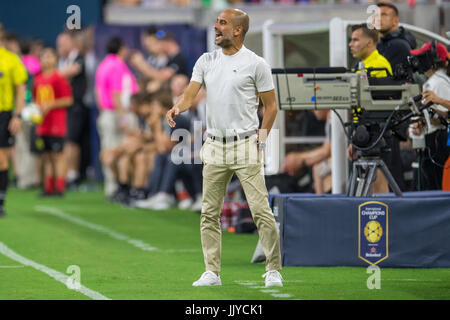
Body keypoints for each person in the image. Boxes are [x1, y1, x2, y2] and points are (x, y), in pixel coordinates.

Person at [166, 8, 282, 287]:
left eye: (222, 23)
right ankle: (212, 272)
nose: (216, 27)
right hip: (215, 145)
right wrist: (177, 107)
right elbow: (190, 94)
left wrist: (262, 137)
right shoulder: (206, 61)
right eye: (216, 22)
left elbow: (271, 105)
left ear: (238, 30)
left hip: (245, 144)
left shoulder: (256, 64)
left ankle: (274, 269)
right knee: (209, 212)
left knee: (260, 210)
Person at [95, 36, 139, 196]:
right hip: (116, 114)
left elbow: (98, 92)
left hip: (106, 113)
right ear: (121, 49)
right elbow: (117, 95)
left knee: (109, 149)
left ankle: (113, 185)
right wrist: (122, 119)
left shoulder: (104, 64)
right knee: (118, 151)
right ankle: (119, 186)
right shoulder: (117, 66)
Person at [33, 48, 73, 196]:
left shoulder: (59, 78)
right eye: (44, 57)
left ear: (56, 60)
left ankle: (60, 186)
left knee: (58, 156)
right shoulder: (38, 79)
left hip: (57, 123)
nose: (47, 60)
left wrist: (51, 104)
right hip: (43, 124)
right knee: (47, 156)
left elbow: (68, 99)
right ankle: (48, 187)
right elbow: (36, 100)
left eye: (50, 57)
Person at [409, 41, 450, 190]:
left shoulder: (439, 83)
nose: (418, 61)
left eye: (422, 57)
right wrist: (424, 122)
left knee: (439, 188)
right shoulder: (434, 82)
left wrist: (436, 103)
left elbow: (445, 120)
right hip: (434, 142)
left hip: (440, 143)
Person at [0, 27, 28, 217]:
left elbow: (20, 89)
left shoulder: (10, 59)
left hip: (3, 115)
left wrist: (17, 115)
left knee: (2, 160)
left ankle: (0, 201)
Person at [57, 31, 89, 189]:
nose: (59, 47)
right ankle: (65, 174)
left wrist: (55, 76)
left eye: (62, 44)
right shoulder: (63, 61)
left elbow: (62, 74)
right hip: (65, 107)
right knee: (66, 141)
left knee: (72, 141)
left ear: (71, 43)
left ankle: (73, 175)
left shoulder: (79, 59)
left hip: (76, 107)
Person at [283, 109, 332, 194]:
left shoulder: (333, 118)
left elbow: (327, 151)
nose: (313, 110)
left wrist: (300, 160)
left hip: (344, 161)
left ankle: (321, 204)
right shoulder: (329, 120)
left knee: (317, 171)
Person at [376, 2, 417, 75]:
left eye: (383, 15)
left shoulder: (399, 45)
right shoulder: (383, 42)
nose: (378, 19)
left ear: (396, 20)